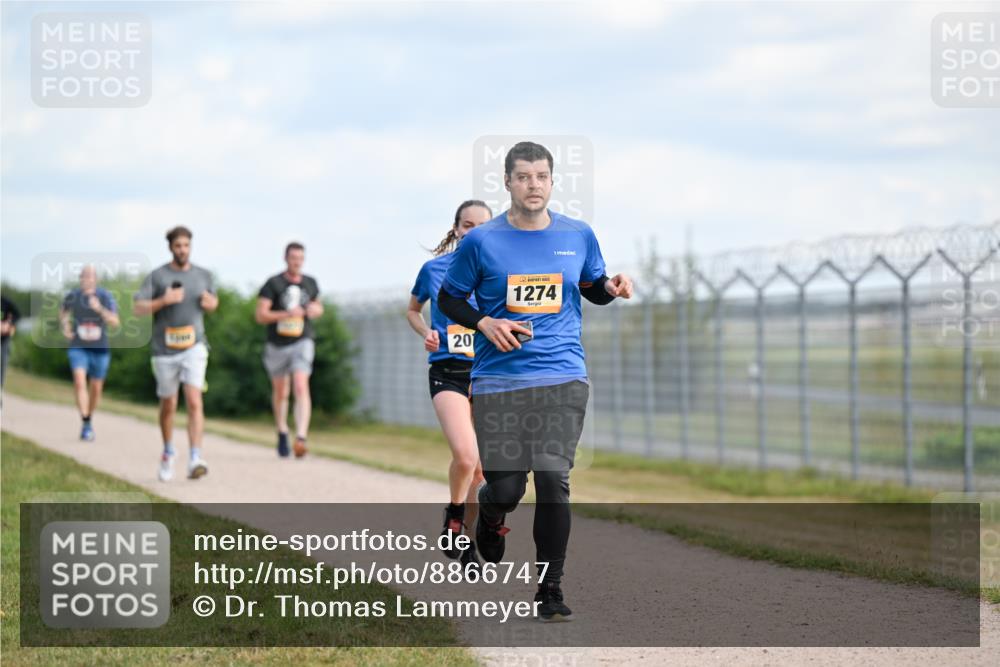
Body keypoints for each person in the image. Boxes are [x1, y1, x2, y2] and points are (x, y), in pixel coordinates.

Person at [438, 141, 633, 622]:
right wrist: (484, 323)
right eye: (523, 176)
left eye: (542, 176)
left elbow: (590, 286)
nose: (533, 185)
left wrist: (609, 288)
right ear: (507, 182)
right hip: (498, 380)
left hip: (563, 374)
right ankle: (490, 512)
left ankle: (550, 587)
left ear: (552, 181)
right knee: (506, 489)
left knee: (552, 478)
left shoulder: (578, 234)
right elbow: (450, 299)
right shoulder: (482, 241)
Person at [407, 200, 492, 569]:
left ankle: (469, 541)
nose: (473, 231)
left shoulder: (500, 272)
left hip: (489, 372)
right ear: (456, 229)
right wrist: (426, 332)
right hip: (448, 371)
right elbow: (412, 309)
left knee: (482, 471)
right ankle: (454, 513)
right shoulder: (434, 269)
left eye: (481, 226)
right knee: (466, 455)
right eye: (467, 225)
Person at [134, 226, 218, 481]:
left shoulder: (204, 275)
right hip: (164, 349)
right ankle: (169, 451)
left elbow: (214, 302)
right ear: (170, 247)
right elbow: (138, 308)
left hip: (195, 346)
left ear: (191, 246)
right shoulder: (158, 276)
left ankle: (195, 457)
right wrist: (164, 300)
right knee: (169, 404)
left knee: (194, 400)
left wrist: (211, 304)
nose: (182, 249)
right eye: (178, 245)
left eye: (186, 245)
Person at [255, 242, 323, 458]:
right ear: (286, 258)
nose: (297, 262)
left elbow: (318, 306)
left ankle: (301, 437)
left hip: (302, 341)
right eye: (294, 258)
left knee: (301, 385)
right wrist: (287, 314)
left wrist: (314, 310)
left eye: (300, 259)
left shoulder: (311, 283)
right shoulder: (273, 283)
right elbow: (260, 315)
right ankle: (282, 430)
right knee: (281, 391)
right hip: (277, 344)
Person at [60, 265, 120, 441]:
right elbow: (63, 314)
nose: (86, 279)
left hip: (100, 349)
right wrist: (66, 326)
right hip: (78, 346)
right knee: (79, 382)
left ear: (96, 279)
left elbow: (115, 321)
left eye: (89, 276)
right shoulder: (73, 296)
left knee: (96, 388)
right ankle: (85, 421)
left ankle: (89, 419)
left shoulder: (105, 296)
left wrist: (99, 308)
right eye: (83, 276)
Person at [1, 294, 21, 390]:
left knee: (2, 362)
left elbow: (17, 315)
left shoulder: (5, 302)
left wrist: (8, 324)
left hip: (3, 340)